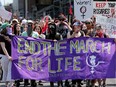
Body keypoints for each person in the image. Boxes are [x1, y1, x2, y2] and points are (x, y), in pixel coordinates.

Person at [0, 23, 14, 87]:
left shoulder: (11, 36)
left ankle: (11, 84)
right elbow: (3, 47)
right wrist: (8, 56)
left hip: (12, 56)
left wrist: (9, 39)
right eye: (9, 26)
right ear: (5, 28)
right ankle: (6, 84)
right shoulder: (1, 36)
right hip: (4, 55)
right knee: (5, 70)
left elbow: (15, 45)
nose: (10, 28)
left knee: (11, 69)